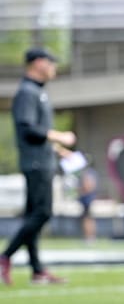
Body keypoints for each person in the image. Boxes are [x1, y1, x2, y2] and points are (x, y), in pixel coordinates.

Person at [1, 47, 77, 286]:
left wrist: (58, 150)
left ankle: (37, 270)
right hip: (35, 163)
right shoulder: (27, 92)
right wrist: (59, 136)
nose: (54, 68)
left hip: (42, 159)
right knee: (42, 213)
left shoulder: (38, 92)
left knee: (32, 216)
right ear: (38, 63)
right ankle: (5, 257)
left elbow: (37, 133)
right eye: (51, 63)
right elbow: (27, 128)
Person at [56, 147, 98, 244]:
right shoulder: (87, 172)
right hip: (86, 198)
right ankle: (88, 237)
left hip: (87, 198)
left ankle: (90, 237)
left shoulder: (88, 173)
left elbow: (88, 186)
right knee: (86, 217)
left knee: (87, 218)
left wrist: (78, 191)